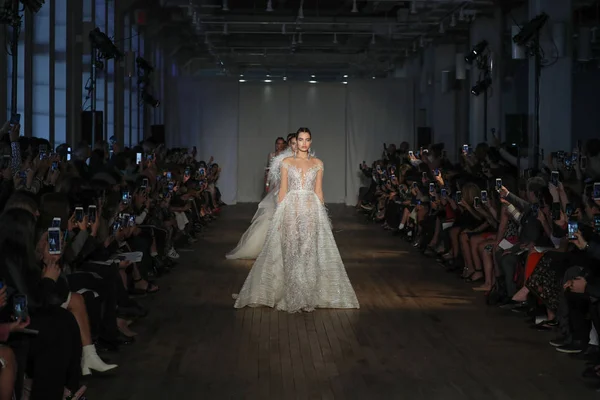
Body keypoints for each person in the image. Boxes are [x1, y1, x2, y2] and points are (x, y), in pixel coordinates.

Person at [233, 127, 359, 312]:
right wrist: (278, 217)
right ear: (296, 141)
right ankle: (292, 293)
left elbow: (318, 191)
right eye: (300, 139)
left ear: (311, 142)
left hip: (310, 211)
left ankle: (307, 294)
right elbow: (283, 192)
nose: (304, 143)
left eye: (307, 139)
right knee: (291, 250)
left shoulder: (318, 163)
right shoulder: (286, 162)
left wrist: (323, 217)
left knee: (308, 251)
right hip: (291, 210)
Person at [226, 134, 297, 260]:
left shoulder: (296, 158)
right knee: (275, 219)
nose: (295, 145)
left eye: (296, 142)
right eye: (292, 142)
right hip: (281, 190)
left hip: (293, 192)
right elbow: (271, 172)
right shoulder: (281, 158)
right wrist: (268, 185)